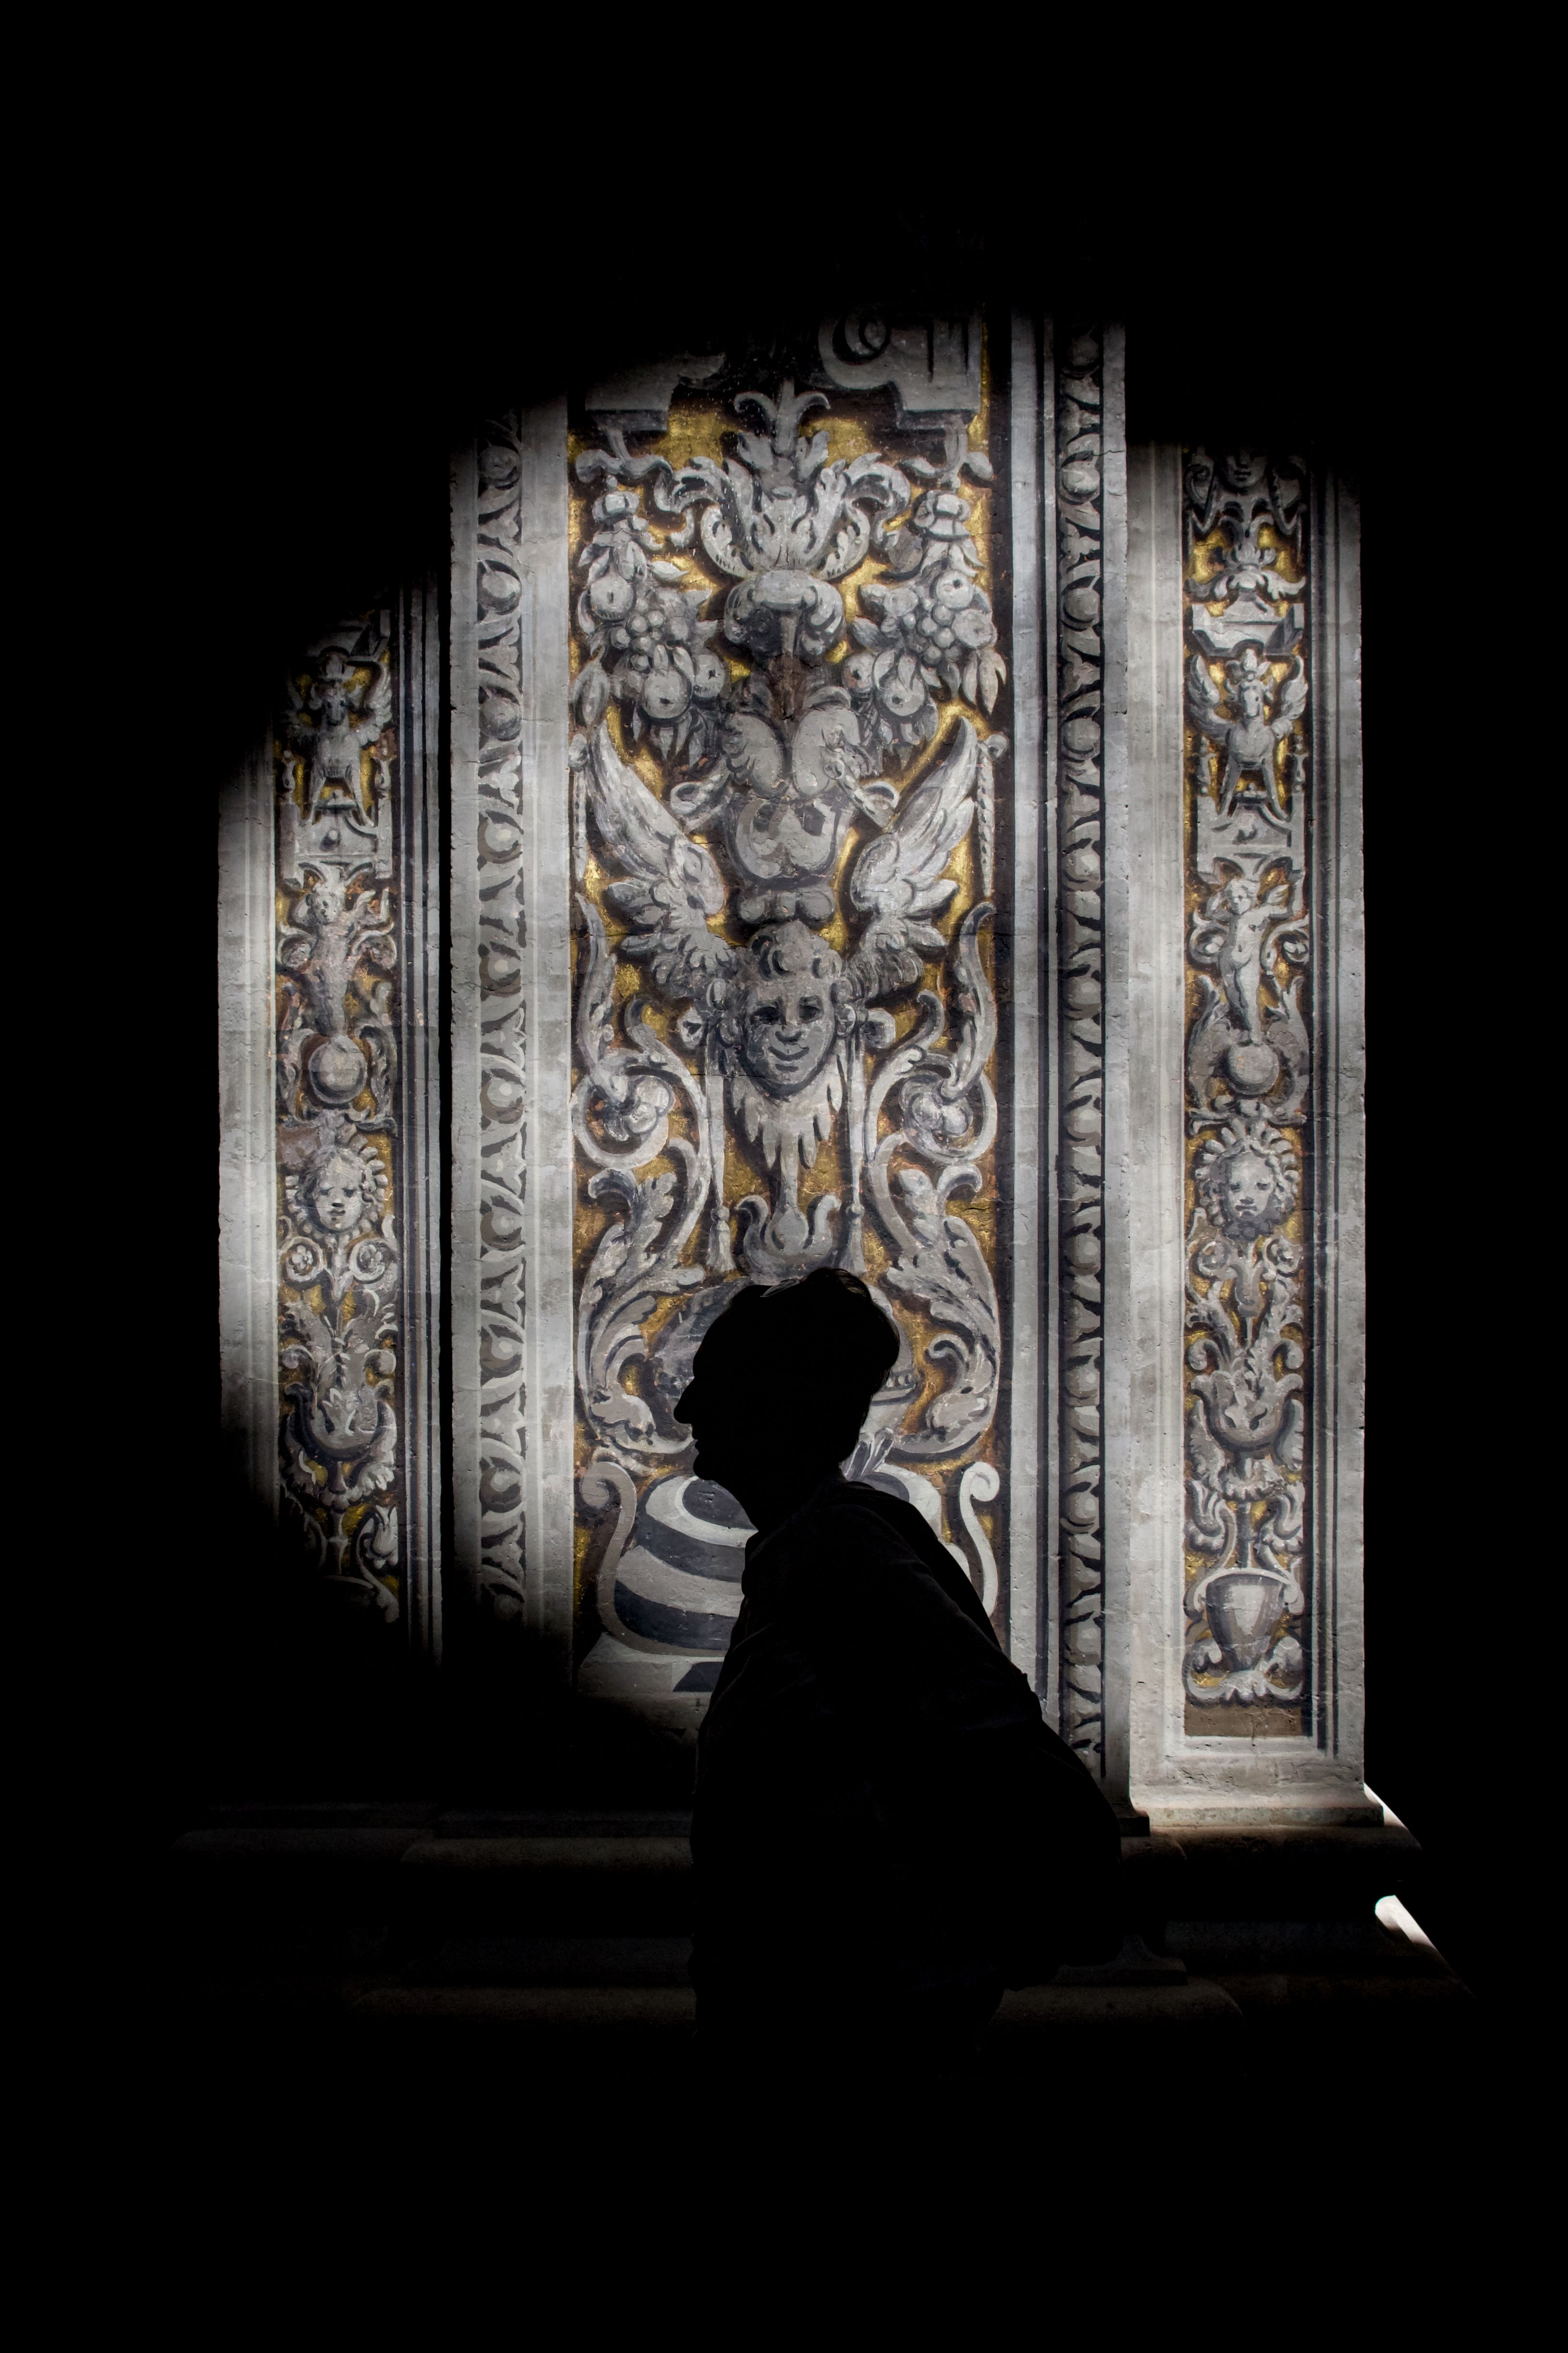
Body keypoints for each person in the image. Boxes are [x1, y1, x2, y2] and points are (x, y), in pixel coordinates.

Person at [678, 1267, 1123, 2086]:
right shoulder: (809, 1550)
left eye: (710, 1386)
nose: (685, 1410)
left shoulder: (842, 1556)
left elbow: (988, 1748)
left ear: (773, 1406)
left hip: (859, 2055)